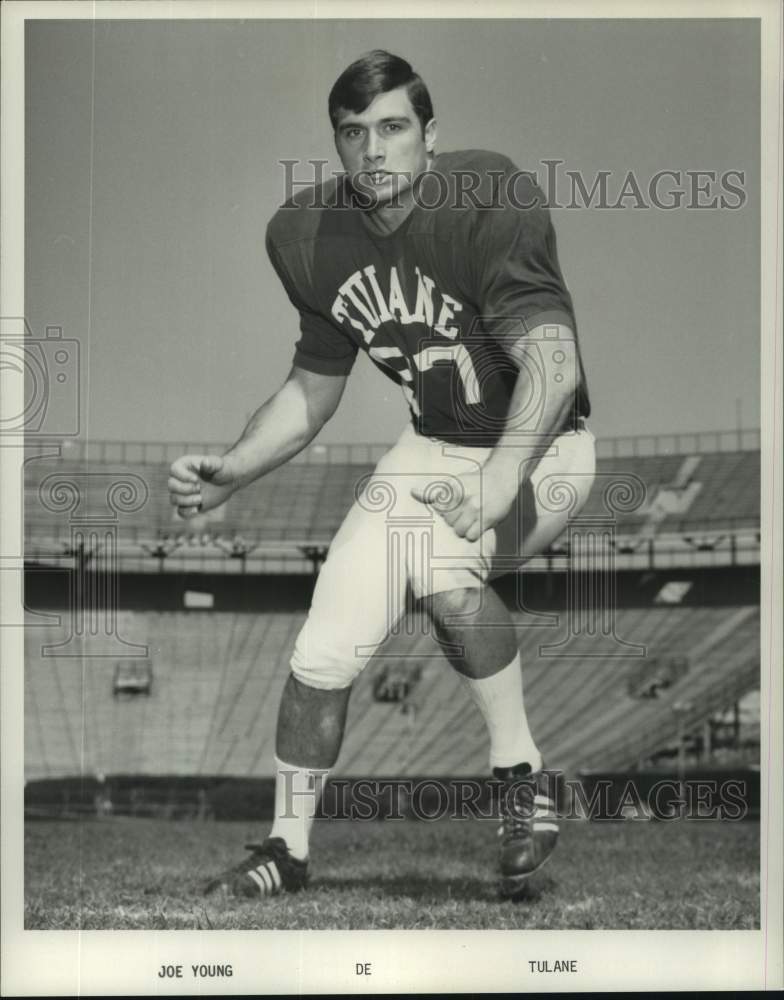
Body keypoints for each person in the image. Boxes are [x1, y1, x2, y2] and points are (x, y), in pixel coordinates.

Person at [168, 49, 596, 901]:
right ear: (337, 145)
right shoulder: (307, 235)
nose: (375, 150)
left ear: (430, 137)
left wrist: (505, 474)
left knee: (437, 568)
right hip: (430, 445)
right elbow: (312, 389)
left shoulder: (487, 197)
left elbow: (552, 358)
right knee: (323, 645)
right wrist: (233, 474)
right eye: (353, 133)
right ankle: (286, 851)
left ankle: (520, 780)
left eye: (394, 127)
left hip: (542, 443)